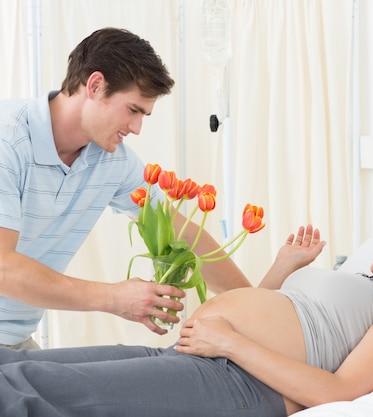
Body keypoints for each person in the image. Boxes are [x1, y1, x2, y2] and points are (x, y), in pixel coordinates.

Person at [0, 200, 373, 417]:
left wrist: (229, 341)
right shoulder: (358, 282)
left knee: (31, 391)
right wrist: (283, 265)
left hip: (240, 385)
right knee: (19, 364)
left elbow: (338, 393)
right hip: (195, 356)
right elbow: (271, 307)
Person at [0, 27, 251, 348]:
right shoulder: (8, 137)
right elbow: (3, 268)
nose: (136, 127)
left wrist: (253, 307)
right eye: (133, 110)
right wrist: (113, 297)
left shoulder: (113, 162)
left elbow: (184, 233)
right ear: (95, 85)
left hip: (16, 340)